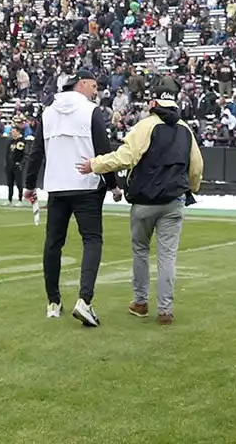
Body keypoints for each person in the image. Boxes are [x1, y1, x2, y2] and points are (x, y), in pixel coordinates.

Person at [77, 82, 203, 325]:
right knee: (167, 256)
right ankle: (165, 311)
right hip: (174, 201)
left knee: (141, 251)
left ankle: (141, 302)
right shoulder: (185, 129)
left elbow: (126, 157)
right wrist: (191, 187)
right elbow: (196, 167)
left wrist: (95, 164)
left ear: (153, 102)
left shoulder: (146, 126)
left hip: (145, 201)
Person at [23, 69, 121, 327]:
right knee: (92, 240)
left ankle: (53, 302)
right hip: (87, 186)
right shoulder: (91, 112)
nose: (96, 90)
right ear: (83, 83)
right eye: (94, 85)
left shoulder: (48, 112)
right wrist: (113, 185)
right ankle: (84, 300)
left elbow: (36, 153)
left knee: (53, 243)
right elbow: (103, 151)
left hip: (57, 186)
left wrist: (29, 185)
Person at [5, 128, 27, 205]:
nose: (12, 133)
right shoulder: (10, 142)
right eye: (12, 132)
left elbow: (25, 154)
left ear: (18, 132)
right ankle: (9, 199)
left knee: (19, 183)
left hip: (17, 166)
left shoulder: (21, 142)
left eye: (14, 131)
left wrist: (21, 164)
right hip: (9, 166)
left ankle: (20, 199)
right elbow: (7, 154)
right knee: (10, 183)